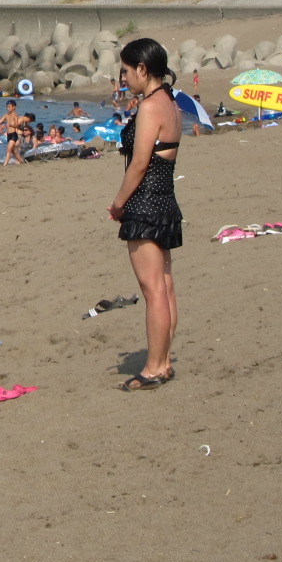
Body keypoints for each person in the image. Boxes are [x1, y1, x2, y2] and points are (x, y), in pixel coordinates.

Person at [109, 38, 183, 392]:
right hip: (165, 199)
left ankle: (153, 367)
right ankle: (163, 362)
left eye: (125, 70)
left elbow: (139, 164)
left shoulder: (151, 106)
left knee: (153, 290)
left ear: (142, 69)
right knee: (165, 287)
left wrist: (118, 203)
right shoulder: (169, 101)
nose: (123, 78)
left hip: (146, 203)